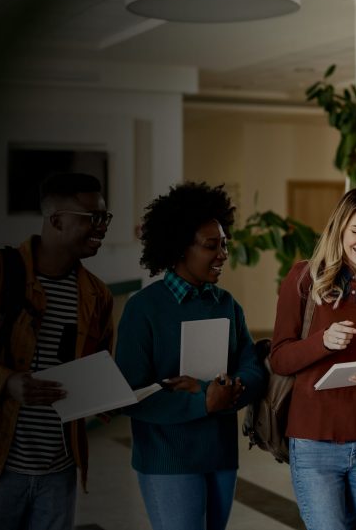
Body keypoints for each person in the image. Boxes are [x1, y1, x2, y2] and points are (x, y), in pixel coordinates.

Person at [0, 172, 115, 530]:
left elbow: (99, 370)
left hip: (59, 472)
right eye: (91, 217)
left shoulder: (97, 296)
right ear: (57, 219)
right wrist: (6, 382)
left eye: (105, 217)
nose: (102, 226)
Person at [114, 181, 266, 530]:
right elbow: (129, 395)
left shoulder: (227, 305)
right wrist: (203, 402)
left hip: (221, 454)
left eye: (224, 245)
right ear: (181, 248)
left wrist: (232, 387)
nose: (223, 255)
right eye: (211, 246)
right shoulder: (143, 309)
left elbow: (252, 368)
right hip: (168, 458)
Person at [270, 188, 356, 530]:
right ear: (339, 230)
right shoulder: (303, 278)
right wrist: (323, 343)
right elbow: (280, 359)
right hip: (314, 443)